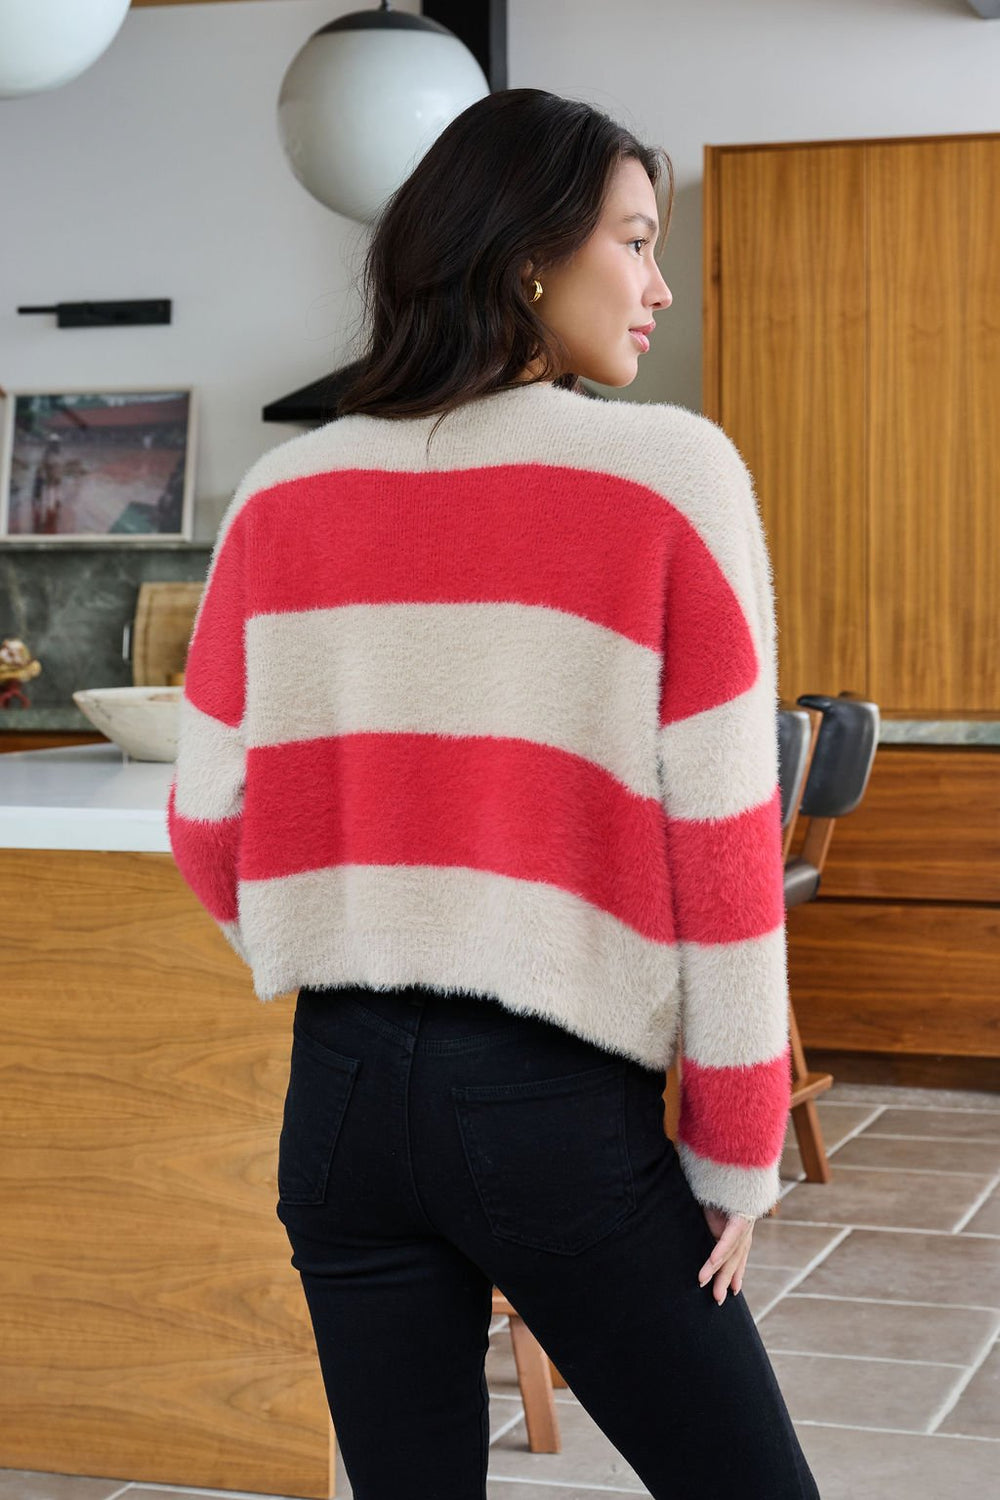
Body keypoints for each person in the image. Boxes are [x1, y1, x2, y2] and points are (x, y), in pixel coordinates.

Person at [168, 88, 819, 1500]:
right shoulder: (669, 479)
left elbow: (207, 820)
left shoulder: (284, 496)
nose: (656, 287)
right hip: (549, 1108)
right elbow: (721, 849)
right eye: (636, 243)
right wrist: (736, 1146)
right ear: (529, 256)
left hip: (335, 1104)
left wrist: (342, 946)